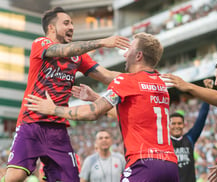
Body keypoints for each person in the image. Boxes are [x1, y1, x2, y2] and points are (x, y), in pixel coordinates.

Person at [25, 32, 179, 181]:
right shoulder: (160, 83)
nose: (125, 54)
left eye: (129, 50)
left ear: (138, 56)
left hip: (144, 164)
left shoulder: (127, 81)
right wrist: (95, 97)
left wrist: (53, 109)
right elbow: (131, 116)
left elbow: (93, 113)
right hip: (170, 165)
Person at [2, 6, 130, 182]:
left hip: (58, 129)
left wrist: (142, 77)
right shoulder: (41, 44)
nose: (72, 27)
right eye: (66, 23)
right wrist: (101, 42)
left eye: (72, 24)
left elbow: (107, 76)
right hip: (31, 122)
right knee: (14, 177)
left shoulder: (79, 57)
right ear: (52, 28)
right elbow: (63, 51)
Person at [171, 79, 212, 182]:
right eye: (173, 123)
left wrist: (207, 91)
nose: (177, 126)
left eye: (179, 123)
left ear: (184, 125)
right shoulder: (164, 143)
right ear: (168, 126)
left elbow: (201, 118)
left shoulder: (189, 138)